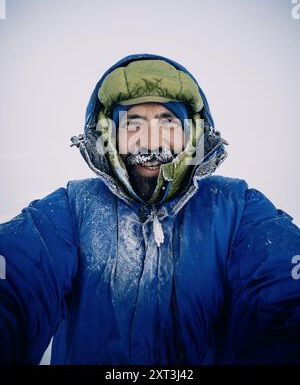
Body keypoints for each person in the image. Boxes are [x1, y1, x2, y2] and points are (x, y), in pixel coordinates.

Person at [0, 53, 300, 365]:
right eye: (132, 123)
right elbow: (18, 275)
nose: (151, 141)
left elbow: (282, 289)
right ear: (109, 136)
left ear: (192, 133)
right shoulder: (73, 208)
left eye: (168, 122)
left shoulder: (237, 208)